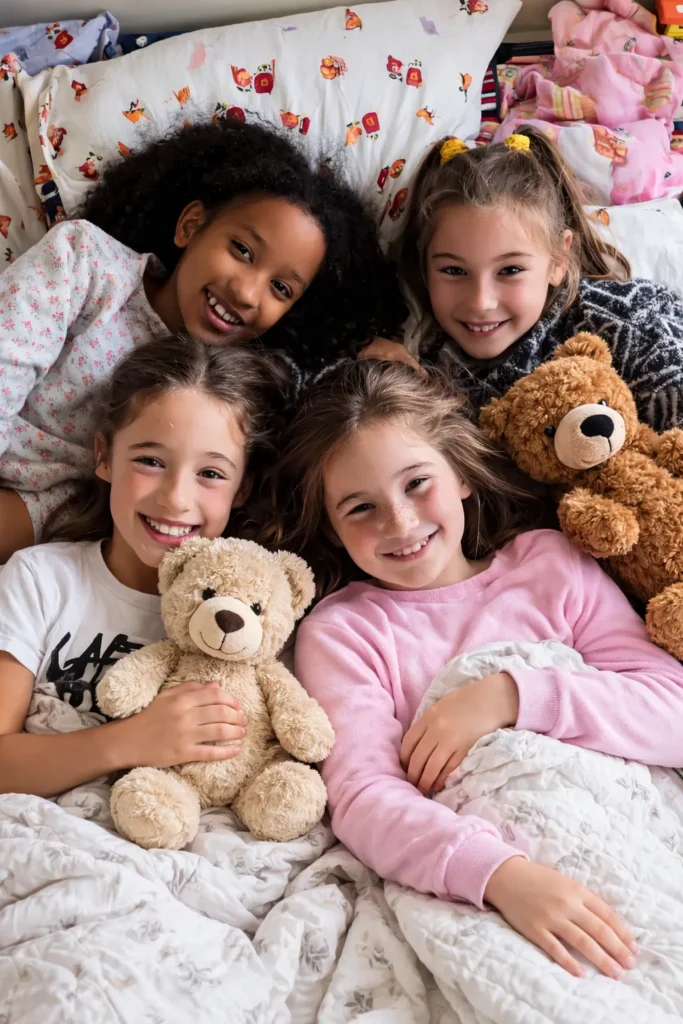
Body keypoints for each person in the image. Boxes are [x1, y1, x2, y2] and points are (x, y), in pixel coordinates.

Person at [278, 359, 683, 980]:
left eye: (417, 483)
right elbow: (363, 795)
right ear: (331, 528)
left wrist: (513, 695)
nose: (400, 522)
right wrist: (500, 877)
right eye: (360, 508)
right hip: (493, 870)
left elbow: (671, 709)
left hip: (628, 830)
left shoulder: (550, 564)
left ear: (462, 473)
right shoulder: (344, 631)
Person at [0, 117, 408, 562]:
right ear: (190, 226)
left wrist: (369, 356)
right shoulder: (88, 266)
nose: (248, 292)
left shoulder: (243, 384)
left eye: (281, 289)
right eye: (242, 251)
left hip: (62, 513)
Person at [0, 334, 286, 799]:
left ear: (243, 487)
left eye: (210, 474)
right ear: (103, 456)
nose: (176, 498)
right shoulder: (39, 581)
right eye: (150, 461)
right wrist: (131, 741)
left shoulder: (257, 614)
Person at [394, 125, 683, 430]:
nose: (481, 302)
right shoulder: (425, 358)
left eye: (510, 271)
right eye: (454, 271)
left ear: (559, 259)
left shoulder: (630, 326)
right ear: (424, 264)